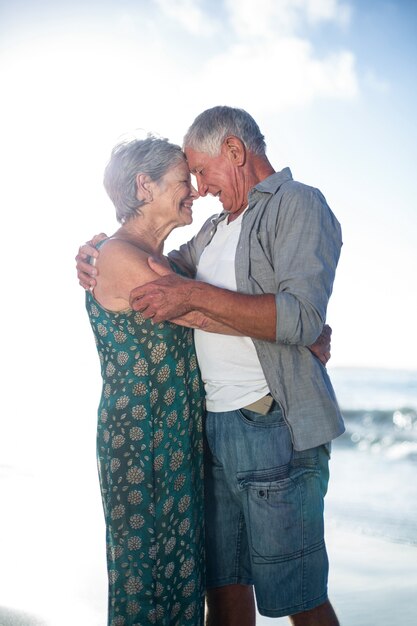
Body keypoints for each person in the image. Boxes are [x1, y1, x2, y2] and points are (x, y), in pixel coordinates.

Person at [76, 107, 342, 626]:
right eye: (188, 176)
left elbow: (295, 314)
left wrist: (299, 334)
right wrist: (98, 249)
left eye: (201, 172)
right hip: (206, 431)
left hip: (270, 422)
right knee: (222, 589)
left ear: (236, 153)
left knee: (298, 595)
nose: (198, 188)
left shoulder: (299, 203)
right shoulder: (217, 228)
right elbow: (164, 279)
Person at [84, 135, 209, 626]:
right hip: (140, 443)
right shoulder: (116, 256)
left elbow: (196, 296)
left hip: (173, 440)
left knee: (180, 580)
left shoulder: (167, 261)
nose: (194, 191)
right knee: (148, 582)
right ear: (144, 185)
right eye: (183, 181)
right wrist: (288, 329)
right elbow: (204, 311)